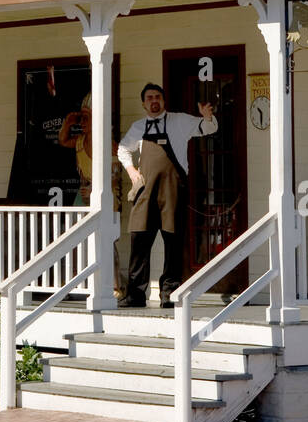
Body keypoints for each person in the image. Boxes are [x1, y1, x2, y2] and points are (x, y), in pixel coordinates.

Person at [117, 83, 217, 308]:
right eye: (150, 97)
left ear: (163, 101)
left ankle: (168, 294)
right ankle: (135, 295)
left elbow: (208, 128)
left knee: (173, 242)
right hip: (146, 191)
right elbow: (123, 149)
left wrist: (208, 117)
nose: (154, 101)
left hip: (173, 191)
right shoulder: (138, 127)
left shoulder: (179, 121)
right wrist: (132, 171)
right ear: (143, 103)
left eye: (158, 97)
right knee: (139, 240)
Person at [58, 94, 125, 297]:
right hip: (83, 196)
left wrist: (96, 187)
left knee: (107, 239)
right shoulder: (80, 142)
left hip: (106, 196)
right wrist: (69, 122)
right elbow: (63, 140)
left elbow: (115, 173)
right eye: (82, 118)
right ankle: (78, 280)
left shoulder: (108, 143)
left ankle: (115, 285)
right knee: (75, 237)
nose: (83, 123)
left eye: (87, 118)